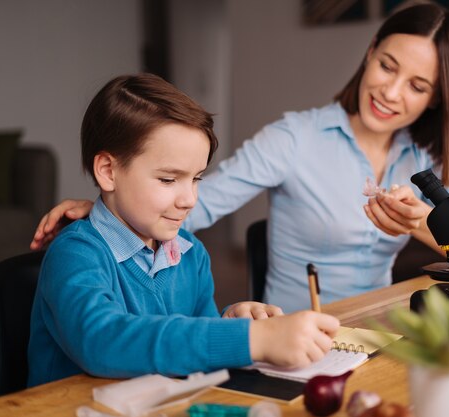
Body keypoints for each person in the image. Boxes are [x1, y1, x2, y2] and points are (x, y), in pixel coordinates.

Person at [30, 3, 449, 313]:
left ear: (437, 99)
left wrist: (422, 224)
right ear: (369, 55)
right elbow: (197, 204)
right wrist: (114, 208)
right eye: (387, 66)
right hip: (294, 335)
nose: (390, 91)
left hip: (381, 330)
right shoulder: (295, 137)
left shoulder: (423, 162)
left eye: (417, 86)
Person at [27, 73, 339, 387]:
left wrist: (229, 321)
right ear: (109, 171)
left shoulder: (191, 254)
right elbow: (101, 341)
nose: (190, 199)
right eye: (168, 179)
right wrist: (249, 340)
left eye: (196, 179)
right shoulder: (75, 254)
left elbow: (192, 339)